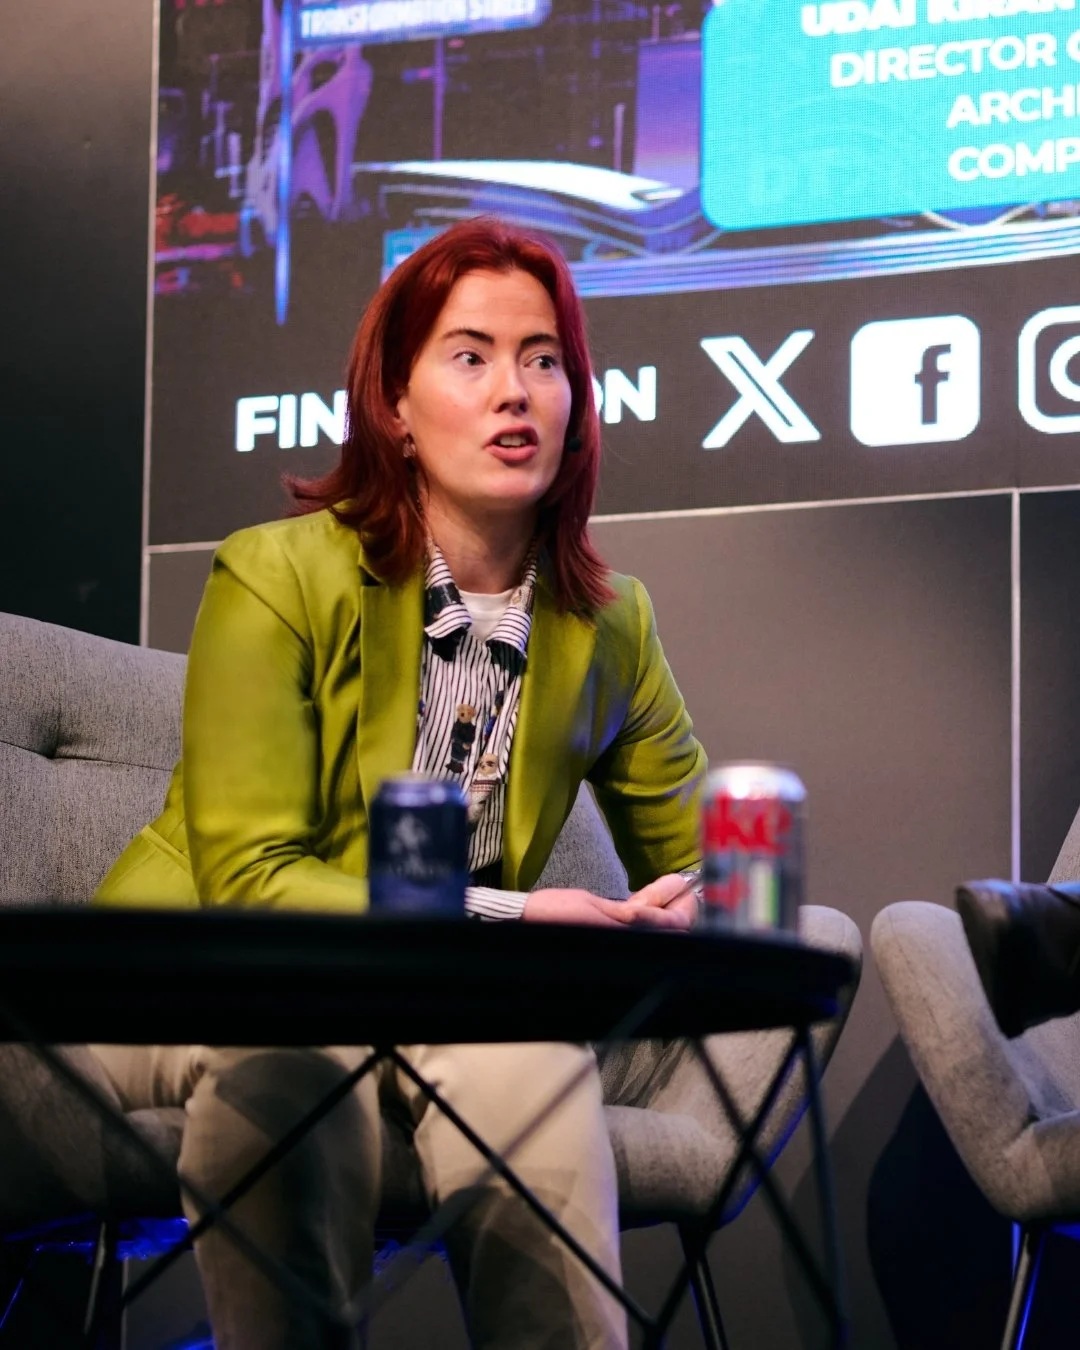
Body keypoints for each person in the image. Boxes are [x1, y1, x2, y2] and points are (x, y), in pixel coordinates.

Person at [93, 217, 707, 1350]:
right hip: (202, 967)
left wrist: (686, 903)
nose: (514, 391)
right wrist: (519, 918)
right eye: (470, 356)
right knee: (294, 1053)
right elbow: (253, 881)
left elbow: (697, 856)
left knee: (533, 1056)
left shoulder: (611, 624)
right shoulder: (274, 572)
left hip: (441, 998)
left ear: (577, 405)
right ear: (394, 404)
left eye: (543, 359)